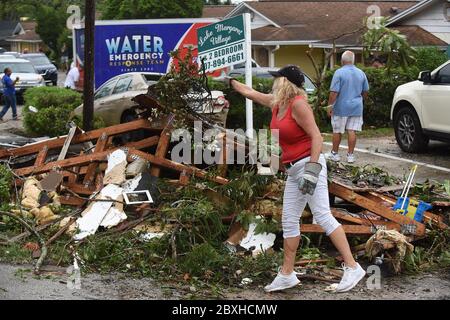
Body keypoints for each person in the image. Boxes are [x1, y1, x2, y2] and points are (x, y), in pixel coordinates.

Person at [228, 65, 366, 293]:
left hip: (308, 166)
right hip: (293, 170)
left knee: (323, 215)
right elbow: (250, 93)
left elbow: (317, 136)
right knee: (289, 220)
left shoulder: (298, 105)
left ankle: (352, 267)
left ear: (285, 82)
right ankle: (287, 274)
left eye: (277, 79)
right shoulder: (277, 104)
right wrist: (231, 84)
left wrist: (312, 169)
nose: (273, 82)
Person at [326, 51, 369, 163]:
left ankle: (335, 153)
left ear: (342, 60)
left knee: (337, 130)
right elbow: (365, 91)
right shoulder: (361, 73)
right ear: (353, 60)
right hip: (356, 106)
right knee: (352, 130)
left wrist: (330, 106)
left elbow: (334, 92)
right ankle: (350, 155)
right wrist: (361, 100)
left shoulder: (339, 73)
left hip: (341, 106)